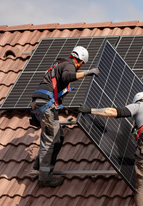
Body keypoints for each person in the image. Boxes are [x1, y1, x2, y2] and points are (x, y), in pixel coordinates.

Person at [31, 46, 99, 188]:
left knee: (59, 137)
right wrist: (88, 73)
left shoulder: (59, 64)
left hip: (40, 104)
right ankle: (45, 178)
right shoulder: (69, 65)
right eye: (81, 65)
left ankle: (40, 163)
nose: (79, 68)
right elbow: (67, 77)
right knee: (50, 141)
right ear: (80, 61)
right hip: (46, 106)